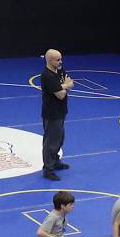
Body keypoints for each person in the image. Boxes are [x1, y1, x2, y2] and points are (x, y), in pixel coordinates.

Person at [40, 50, 73, 181]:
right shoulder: (47, 76)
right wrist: (66, 86)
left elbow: (69, 83)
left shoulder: (59, 70)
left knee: (60, 138)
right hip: (51, 113)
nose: (61, 62)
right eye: (58, 60)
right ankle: (48, 169)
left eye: (61, 59)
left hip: (60, 111)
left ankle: (55, 161)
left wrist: (63, 86)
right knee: (51, 142)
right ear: (49, 60)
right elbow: (61, 94)